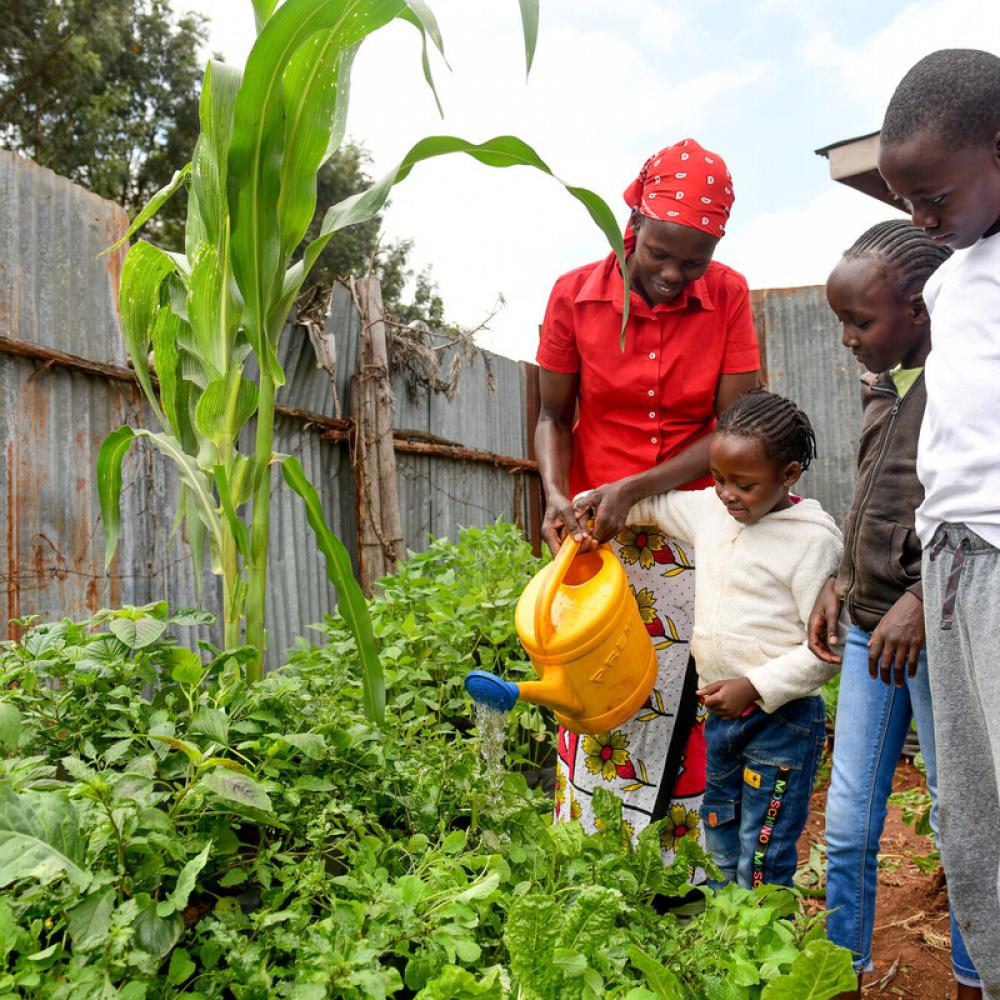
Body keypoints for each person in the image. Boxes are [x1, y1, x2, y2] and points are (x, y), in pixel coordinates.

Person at [535, 138, 760, 850]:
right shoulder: (574, 295)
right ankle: (593, 850)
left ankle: (678, 866)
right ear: (631, 224)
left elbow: (736, 429)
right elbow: (551, 415)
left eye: (694, 261)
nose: (674, 274)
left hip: (700, 526)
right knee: (599, 681)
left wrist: (638, 488)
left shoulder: (726, 295)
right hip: (600, 530)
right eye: (660, 253)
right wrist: (553, 493)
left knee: (690, 691)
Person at [811, 220, 981, 1000]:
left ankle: (975, 977)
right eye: (842, 321)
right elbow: (876, 506)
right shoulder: (886, 384)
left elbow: (967, 510)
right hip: (864, 631)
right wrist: (839, 582)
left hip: (933, 634)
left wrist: (917, 598)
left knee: (963, 821)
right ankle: (839, 972)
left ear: (920, 307)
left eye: (861, 322)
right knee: (845, 825)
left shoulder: (964, 383)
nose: (847, 338)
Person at [577, 390, 841, 886]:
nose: (726, 494)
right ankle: (723, 945)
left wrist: (755, 685)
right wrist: (593, 506)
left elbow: (825, 653)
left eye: (744, 484)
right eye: (718, 478)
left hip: (781, 722)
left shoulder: (811, 542)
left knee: (764, 852)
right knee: (718, 836)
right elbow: (652, 505)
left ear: (788, 475)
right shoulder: (711, 510)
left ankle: (763, 951)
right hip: (721, 719)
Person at [875, 48, 1000, 999]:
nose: (920, 218)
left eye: (933, 194)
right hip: (952, 557)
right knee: (968, 808)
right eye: (902, 197)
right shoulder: (957, 272)